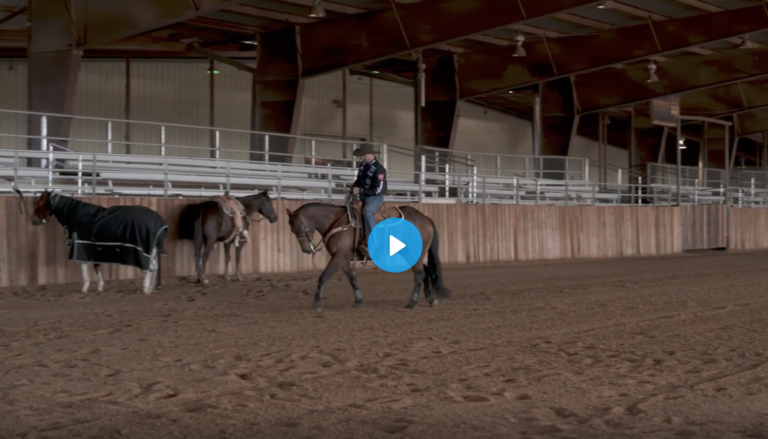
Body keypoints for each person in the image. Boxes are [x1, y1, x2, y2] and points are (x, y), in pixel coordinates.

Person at [350, 143, 387, 257]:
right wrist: (353, 188)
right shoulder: (363, 165)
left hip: (375, 197)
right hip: (363, 194)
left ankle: (375, 242)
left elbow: (378, 190)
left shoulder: (379, 169)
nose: (362, 157)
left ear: (371, 155)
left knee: (367, 212)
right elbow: (359, 180)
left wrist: (360, 191)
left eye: (364, 155)